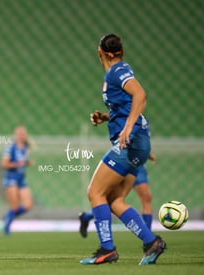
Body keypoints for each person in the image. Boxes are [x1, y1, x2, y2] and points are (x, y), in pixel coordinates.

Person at [79, 34, 166, 266]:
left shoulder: (117, 71)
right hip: (138, 143)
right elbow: (127, 106)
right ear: (120, 51)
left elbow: (140, 95)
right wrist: (106, 117)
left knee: (94, 192)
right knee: (115, 199)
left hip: (130, 141)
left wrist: (127, 128)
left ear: (100, 52)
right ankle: (151, 243)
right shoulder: (118, 71)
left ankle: (107, 250)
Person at [79, 155, 155, 237]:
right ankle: (86, 217)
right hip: (121, 162)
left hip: (137, 164)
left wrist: (146, 153)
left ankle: (149, 235)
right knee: (111, 200)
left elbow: (140, 142)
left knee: (146, 197)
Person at [1, 125, 33, 235]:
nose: (21, 135)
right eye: (19, 133)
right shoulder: (11, 147)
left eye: (23, 133)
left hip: (21, 179)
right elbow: (4, 164)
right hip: (11, 179)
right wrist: (17, 164)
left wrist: (27, 162)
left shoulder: (25, 147)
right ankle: (6, 228)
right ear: (15, 135)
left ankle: (9, 216)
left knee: (28, 205)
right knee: (14, 206)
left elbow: (23, 161)